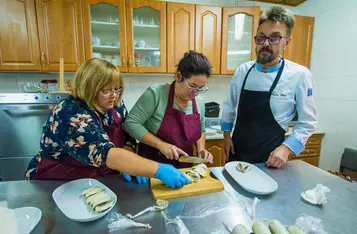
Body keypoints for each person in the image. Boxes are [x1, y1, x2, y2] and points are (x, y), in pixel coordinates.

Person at [25, 58, 189, 188]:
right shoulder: (71, 114)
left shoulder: (115, 105)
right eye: (106, 90)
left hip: (98, 177)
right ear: (88, 88)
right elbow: (105, 153)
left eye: (117, 89)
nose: (114, 96)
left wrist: (129, 161)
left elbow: (128, 134)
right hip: (58, 179)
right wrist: (157, 170)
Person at [221, 6, 317, 168]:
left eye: (274, 38)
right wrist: (226, 136)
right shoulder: (243, 71)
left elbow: (308, 123)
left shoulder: (299, 75)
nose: (265, 44)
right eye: (261, 37)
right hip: (237, 153)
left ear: (286, 42)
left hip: (271, 159)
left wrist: (286, 149)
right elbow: (229, 105)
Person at [124, 51, 214, 168]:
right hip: (152, 167)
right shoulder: (156, 94)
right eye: (192, 86)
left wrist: (201, 150)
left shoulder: (199, 102)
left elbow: (201, 130)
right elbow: (130, 123)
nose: (196, 93)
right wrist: (161, 145)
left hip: (184, 169)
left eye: (201, 88)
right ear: (178, 77)